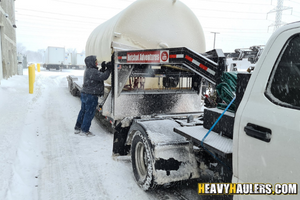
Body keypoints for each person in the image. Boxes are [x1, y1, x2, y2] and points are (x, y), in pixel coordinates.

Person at [74, 55, 112, 136]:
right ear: (91, 62)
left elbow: (98, 76)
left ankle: (78, 127)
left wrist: (103, 69)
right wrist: (108, 69)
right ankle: (85, 130)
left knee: (83, 111)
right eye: (95, 61)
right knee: (89, 113)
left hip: (85, 94)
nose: (97, 63)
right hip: (91, 95)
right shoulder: (92, 71)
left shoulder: (89, 70)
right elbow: (103, 76)